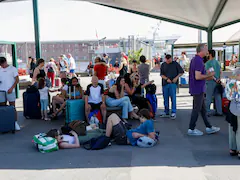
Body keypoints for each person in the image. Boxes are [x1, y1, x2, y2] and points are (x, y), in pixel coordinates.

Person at [188, 43, 220, 136]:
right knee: (197, 109)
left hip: (199, 88)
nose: (207, 51)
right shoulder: (198, 60)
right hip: (197, 88)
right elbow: (197, 76)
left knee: (202, 109)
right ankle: (191, 128)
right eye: (206, 49)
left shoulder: (197, 60)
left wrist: (208, 76)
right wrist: (209, 75)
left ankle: (209, 127)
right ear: (201, 50)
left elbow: (200, 76)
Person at [160, 54, 184, 119]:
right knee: (165, 98)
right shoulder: (163, 65)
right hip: (165, 83)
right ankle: (166, 111)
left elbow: (181, 72)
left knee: (173, 98)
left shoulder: (175, 64)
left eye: (169, 60)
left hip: (173, 83)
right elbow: (161, 74)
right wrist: (166, 79)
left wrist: (176, 78)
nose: (168, 61)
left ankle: (173, 112)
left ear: (171, 58)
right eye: (167, 60)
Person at [0, 56, 20, 130]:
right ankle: (4, 122)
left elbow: (17, 80)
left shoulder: (13, 69)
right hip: (1, 91)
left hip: (10, 91)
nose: (2, 66)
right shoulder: (0, 70)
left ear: (5, 62)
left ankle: (15, 123)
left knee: (12, 107)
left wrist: (12, 88)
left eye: (3, 64)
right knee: (2, 107)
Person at [226, 68, 240, 158]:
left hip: (231, 107)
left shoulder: (230, 83)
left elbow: (228, 96)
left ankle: (233, 148)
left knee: (232, 128)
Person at [205, 49, 223, 116]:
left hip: (211, 82)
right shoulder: (217, 62)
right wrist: (219, 79)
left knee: (208, 97)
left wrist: (215, 79)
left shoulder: (208, 63)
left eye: (207, 53)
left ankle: (207, 112)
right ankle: (219, 111)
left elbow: (211, 73)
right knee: (217, 97)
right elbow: (221, 72)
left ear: (210, 54)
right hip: (218, 82)